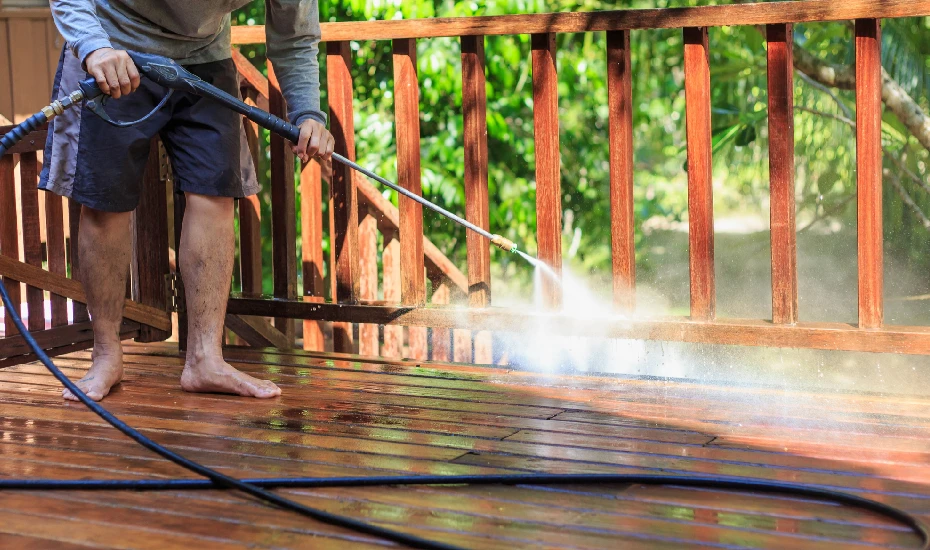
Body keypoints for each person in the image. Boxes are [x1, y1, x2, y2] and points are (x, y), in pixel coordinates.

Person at [43, 1, 334, 401]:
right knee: (104, 202)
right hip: (114, 47)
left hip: (205, 57)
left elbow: (295, 35)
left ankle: (204, 359)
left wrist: (308, 113)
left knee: (216, 193)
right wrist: (94, 47)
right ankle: (106, 353)